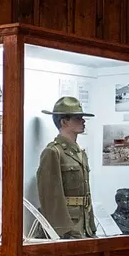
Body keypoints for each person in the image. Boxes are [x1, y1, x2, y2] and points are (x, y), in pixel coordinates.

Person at [36, 96, 95, 238]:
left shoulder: (80, 153)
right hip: (67, 227)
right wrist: (62, 230)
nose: (83, 121)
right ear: (64, 122)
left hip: (83, 225)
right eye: (77, 118)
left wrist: (90, 226)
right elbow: (50, 196)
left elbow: (86, 194)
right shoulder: (53, 152)